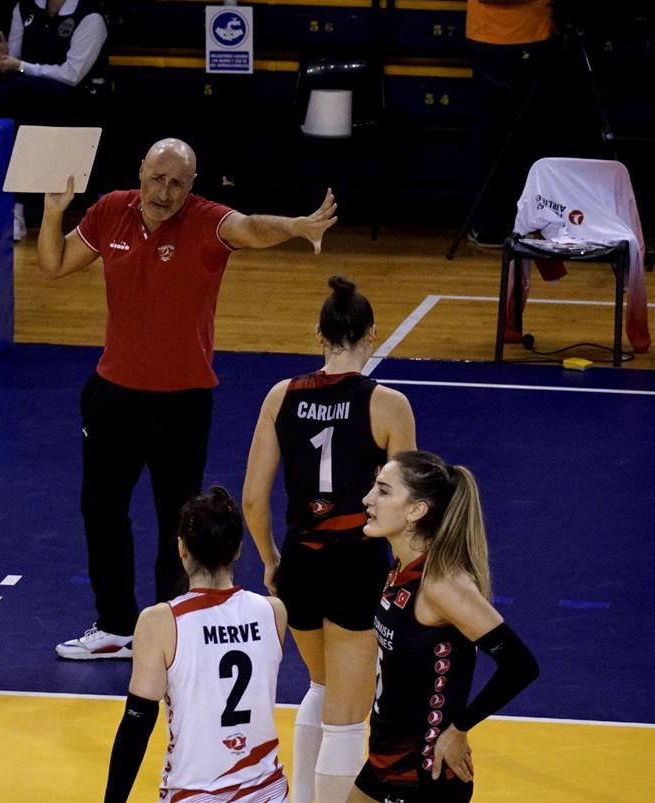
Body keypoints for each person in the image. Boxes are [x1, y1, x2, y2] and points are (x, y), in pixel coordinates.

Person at [41, 137, 336, 661]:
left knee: (177, 518)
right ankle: (115, 625)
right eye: (157, 178)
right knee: (101, 509)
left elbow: (251, 228)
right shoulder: (111, 211)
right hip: (113, 395)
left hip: (181, 403)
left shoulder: (205, 220)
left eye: (177, 183)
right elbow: (54, 263)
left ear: (192, 185)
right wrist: (51, 211)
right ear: (141, 172)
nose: (164, 192)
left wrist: (295, 226)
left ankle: (169, 626)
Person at [242, 276, 416, 803]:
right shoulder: (388, 405)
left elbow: (253, 500)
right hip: (356, 561)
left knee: (321, 687)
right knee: (348, 714)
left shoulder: (281, 396)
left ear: (319, 333)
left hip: (300, 560)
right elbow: (406, 504)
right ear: (371, 333)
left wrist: (271, 560)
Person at [348, 451, 539, 803]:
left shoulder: (442, 585)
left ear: (416, 511)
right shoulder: (400, 568)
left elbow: (520, 665)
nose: (367, 499)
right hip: (385, 760)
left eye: (383, 491)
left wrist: (459, 729)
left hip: (423, 775)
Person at [104, 487, 288, 803]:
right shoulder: (273, 611)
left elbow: (137, 723)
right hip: (267, 791)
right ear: (238, 550)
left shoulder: (160, 622)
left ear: (182, 549)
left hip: (195, 793)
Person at [0, 0, 109, 240]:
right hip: (30, 96)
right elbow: (15, 60)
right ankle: (12, 209)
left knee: (15, 92)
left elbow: (71, 75)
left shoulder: (89, 17)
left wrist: (21, 67)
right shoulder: (25, 8)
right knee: (15, 96)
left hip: (78, 101)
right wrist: (4, 58)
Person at [463, 0, 561, 246]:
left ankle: (535, 220)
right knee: (491, 139)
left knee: (533, 140)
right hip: (496, 46)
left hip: (539, 39)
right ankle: (483, 223)